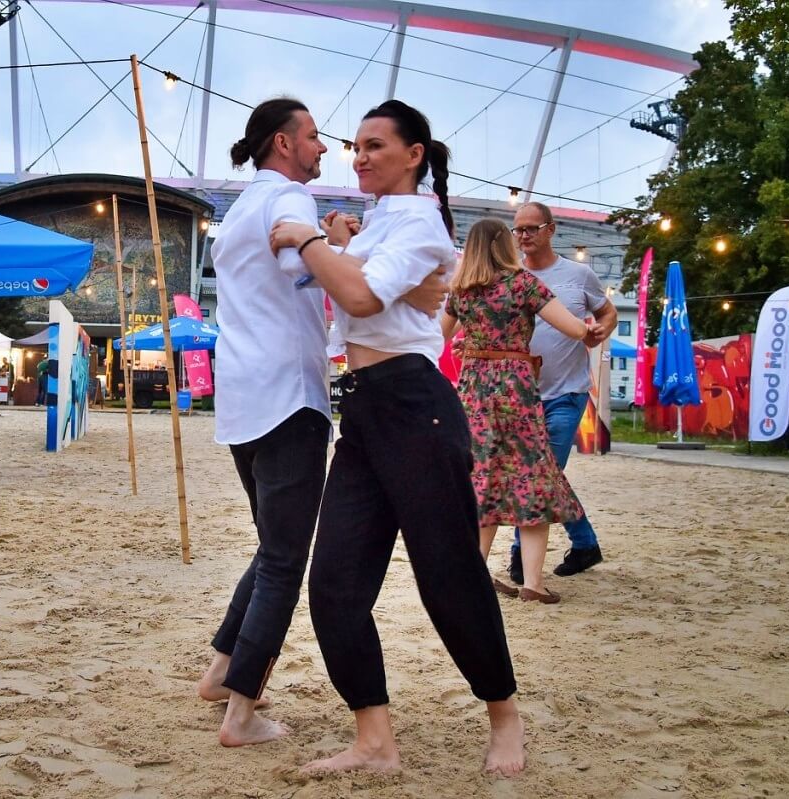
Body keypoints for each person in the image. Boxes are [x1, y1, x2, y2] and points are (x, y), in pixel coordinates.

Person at [269, 99, 525, 776]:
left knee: (448, 574)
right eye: (355, 145)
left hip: (416, 407)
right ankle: (375, 742)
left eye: (376, 145)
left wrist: (307, 237)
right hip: (363, 410)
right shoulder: (385, 224)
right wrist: (342, 242)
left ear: (415, 154)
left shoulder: (419, 223)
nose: (359, 156)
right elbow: (366, 290)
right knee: (334, 585)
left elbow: (357, 299)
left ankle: (504, 714)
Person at [194, 97, 449, 749]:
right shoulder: (289, 201)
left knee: (271, 545)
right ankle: (242, 713)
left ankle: (222, 669)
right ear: (283, 143)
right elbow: (302, 268)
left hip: (243, 400)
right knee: (285, 557)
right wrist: (347, 252)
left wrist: (348, 251)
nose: (324, 148)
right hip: (289, 396)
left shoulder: (240, 207)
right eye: (313, 138)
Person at [440, 218, 592, 603]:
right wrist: (591, 325)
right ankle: (533, 584)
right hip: (515, 389)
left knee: (483, 476)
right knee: (531, 477)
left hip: (474, 389)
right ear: (502, 245)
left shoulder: (461, 291)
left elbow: (436, 335)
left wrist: (470, 343)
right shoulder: (523, 284)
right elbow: (574, 330)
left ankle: (474, 574)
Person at [507, 201, 615, 584]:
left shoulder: (578, 274)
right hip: (520, 396)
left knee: (541, 473)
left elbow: (607, 311)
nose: (523, 236)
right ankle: (585, 544)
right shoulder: (510, 275)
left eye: (531, 229)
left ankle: (521, 554)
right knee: (540, 475)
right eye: (518, 230)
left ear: (551, 230)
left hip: (567, 392)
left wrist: (603, 329)